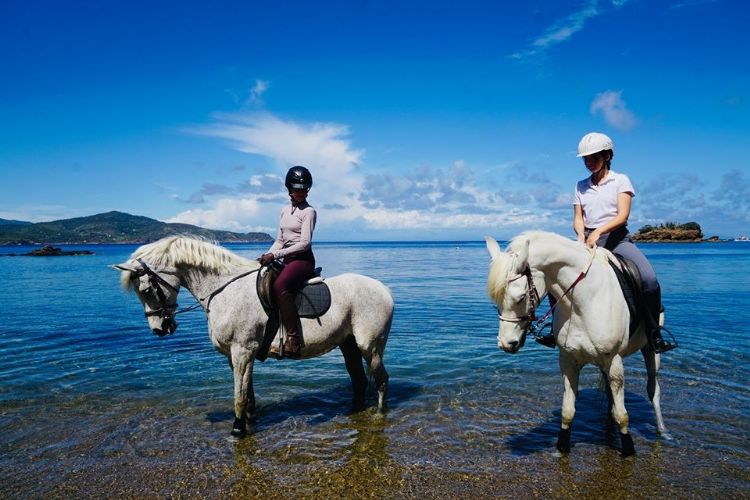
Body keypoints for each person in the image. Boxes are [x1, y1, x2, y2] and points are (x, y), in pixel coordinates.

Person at [537, 132, 676, 353]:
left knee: (649, 279)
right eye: (586, 159)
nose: (589, 162)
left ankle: (653, 332)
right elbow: (578, 217)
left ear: (607, 155)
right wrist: (581, 236)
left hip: (617, 239)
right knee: (556, 280)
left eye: (594, 157)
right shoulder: (580, 186)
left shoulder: (621, 180)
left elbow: (622, 216)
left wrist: (599, 231)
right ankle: (555, 331)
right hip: (588, 239)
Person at [259, 166, 317, 358]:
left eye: (304, 189)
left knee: (280, 286)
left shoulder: (309, 211)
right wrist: (266, 256)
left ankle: (293, 340)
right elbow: (280, 239)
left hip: (302, 260)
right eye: (297, 189)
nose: (300, 192)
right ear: (289, 189)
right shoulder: (284, 210)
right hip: (287, 258)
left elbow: (305, 243)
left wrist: (275, 256)